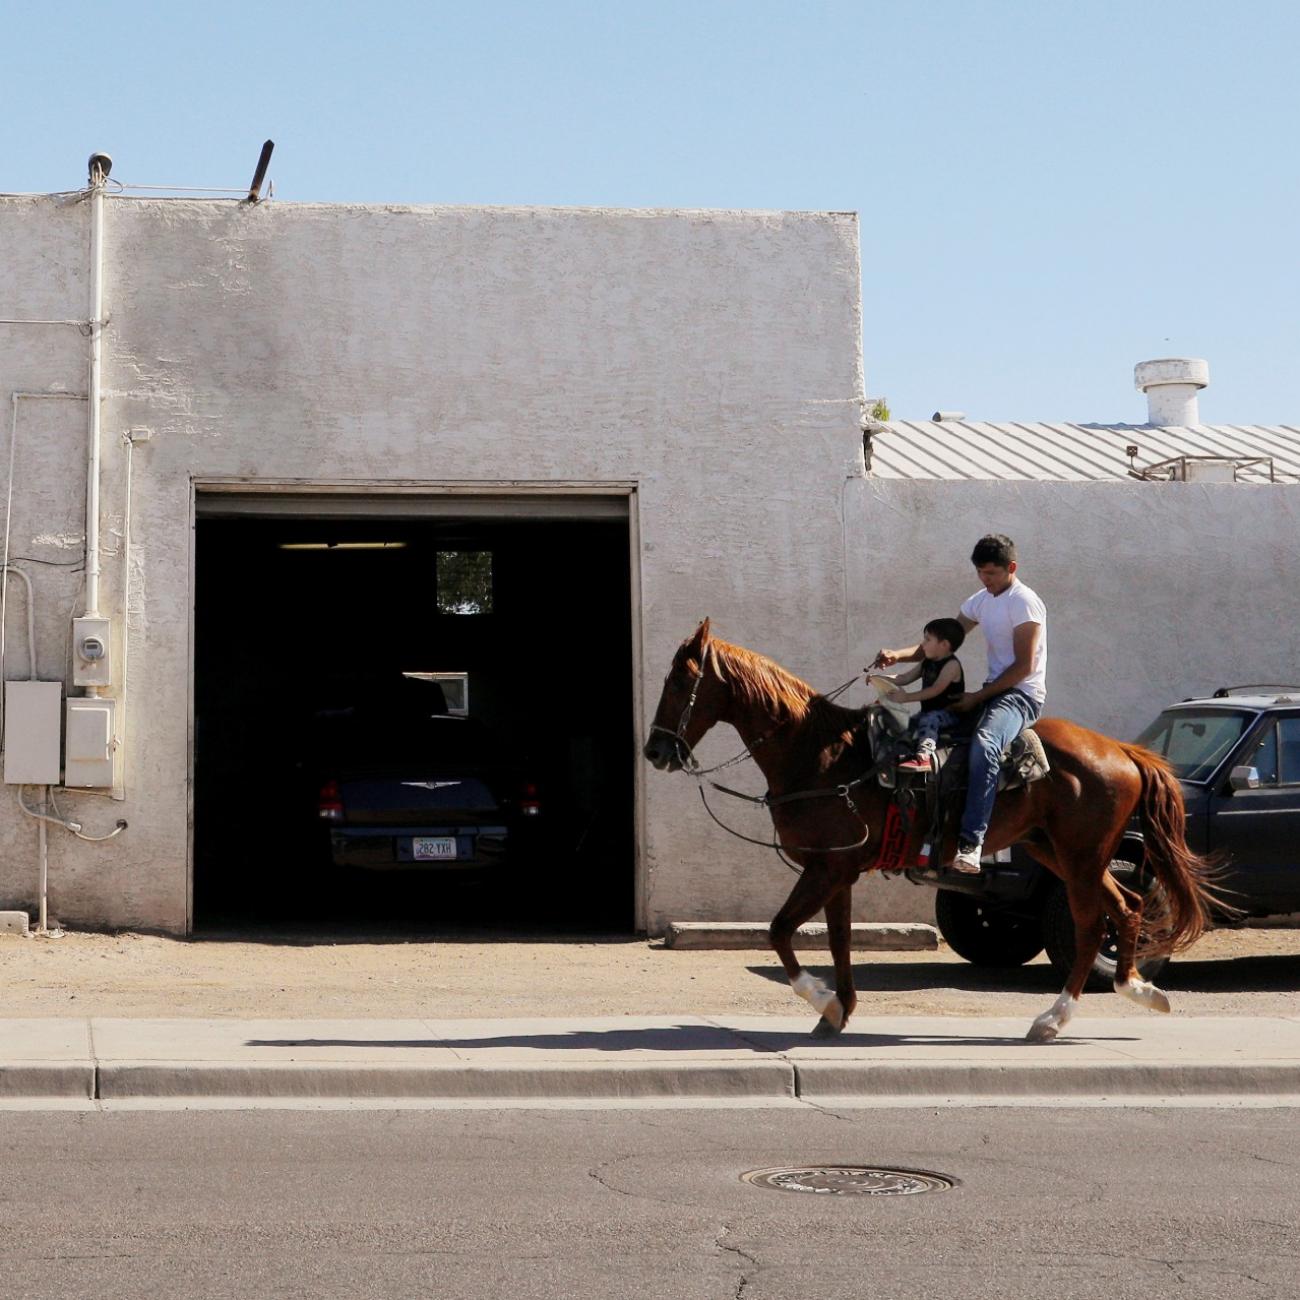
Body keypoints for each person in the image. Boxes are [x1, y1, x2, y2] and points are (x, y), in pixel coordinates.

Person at [873, 534, 1047, 874]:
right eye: (981, 573)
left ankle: (972, 842)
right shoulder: (980, 601)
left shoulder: (1024, 602)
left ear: (1012, 568)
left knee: (984, 745)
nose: (986, 580)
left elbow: (1024, 667)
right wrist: (897, 655)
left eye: (993, 573)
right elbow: (941, 644)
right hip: (992, 692)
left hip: (1021, 695)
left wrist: (976, 698)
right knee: (926, 734)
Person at [874, 618, 967, 772]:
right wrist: (879, 679)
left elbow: (936, 690)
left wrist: (907, 698)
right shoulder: (927, 661)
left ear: (944, 645)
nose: (922, 644)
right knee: (910, 724)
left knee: (929, 720)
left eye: (927, 639)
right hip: (928, 712)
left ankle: (925, 757)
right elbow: (904, 678)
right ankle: (902, 751)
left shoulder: (952, 665)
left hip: (950, 713)